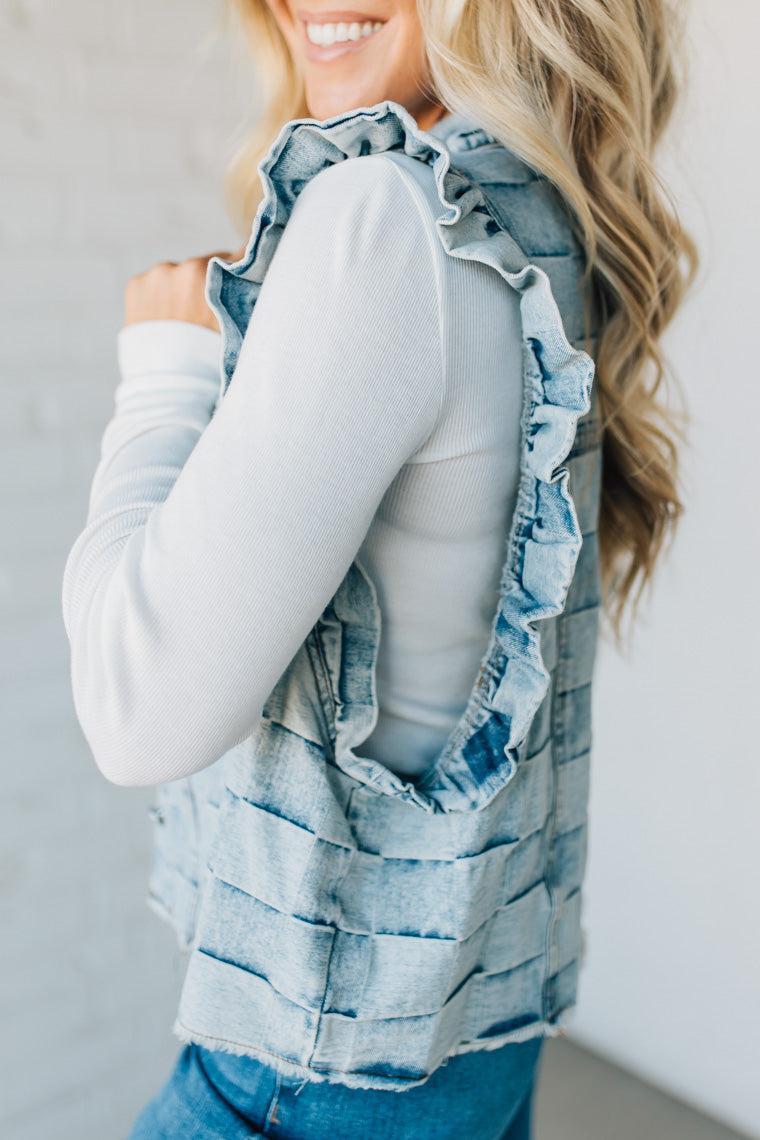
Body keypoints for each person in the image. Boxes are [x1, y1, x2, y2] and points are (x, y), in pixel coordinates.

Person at [60, 1, 696, 1137]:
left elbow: (134, 707)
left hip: (304, 1085)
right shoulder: (537, 210)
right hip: (470, 1054)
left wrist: (164, 370)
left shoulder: (386, 215)